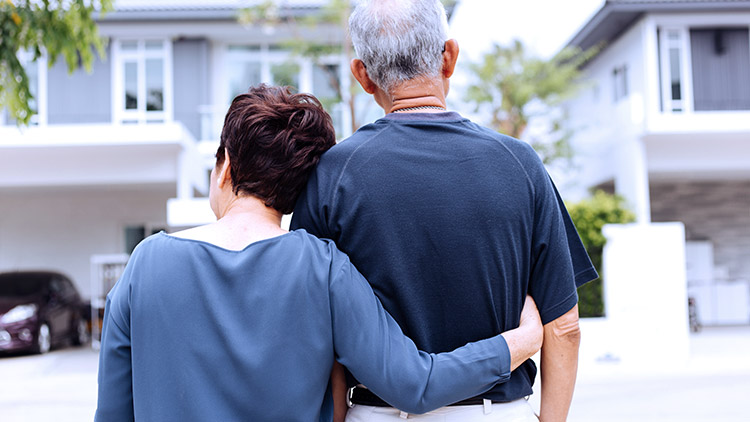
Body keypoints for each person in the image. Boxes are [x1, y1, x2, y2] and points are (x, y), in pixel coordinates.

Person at [94, 85, 544, 422]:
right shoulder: (323, 268)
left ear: (224, 165)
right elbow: (415, 383)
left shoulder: (146, 265)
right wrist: (518, 343)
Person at [290, 1, 599, 421]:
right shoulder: (520, 165)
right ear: (449, 56)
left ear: (362, 75)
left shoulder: (330, 176)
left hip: (379, 412)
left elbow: (320, 339)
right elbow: (563, 328)